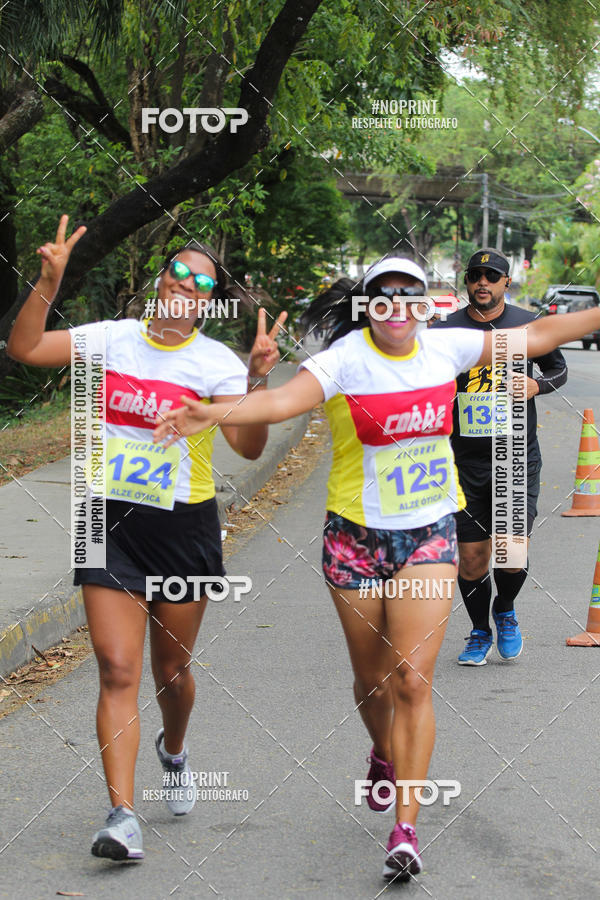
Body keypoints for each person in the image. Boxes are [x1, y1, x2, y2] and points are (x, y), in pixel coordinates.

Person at [153, 254, 600, 883]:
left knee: (413, 679)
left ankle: (406, 829)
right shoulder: (343, 360)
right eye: (383, 297)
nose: (397, 308)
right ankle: (384, 754)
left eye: (409, 296)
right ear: (368, 305)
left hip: (427, 533)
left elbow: (545, 335)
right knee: (373, 684)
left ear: (425, 304)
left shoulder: (449, 348)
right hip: (356, 539)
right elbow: (281, 403)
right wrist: (212, 412)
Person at [6, 215, 286, 861]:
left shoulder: (215, 361)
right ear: (160, 282)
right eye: (178, 273)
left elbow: (246, 447)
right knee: (117, 668)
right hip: (107, 520)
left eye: (202, 283)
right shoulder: (112, 340)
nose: (186, 286)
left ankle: (175, 748)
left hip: (184, 529)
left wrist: (255, 380)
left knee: (173, 671)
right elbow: (24, 349)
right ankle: (122, 815)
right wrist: (47, 282)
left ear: (208, 302)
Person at [432, 249, 567, 665]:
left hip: (515, 456)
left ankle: (504, 609)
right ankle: (478, 631)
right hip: (463, 461)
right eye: (476, 275)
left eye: (492, 276)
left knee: (511, 552)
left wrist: (535, 386)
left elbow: (557, 369)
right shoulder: (448, 329)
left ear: (507, 282)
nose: (483, 283)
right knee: (472, 558)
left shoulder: (528, 324)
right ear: (467, 282)